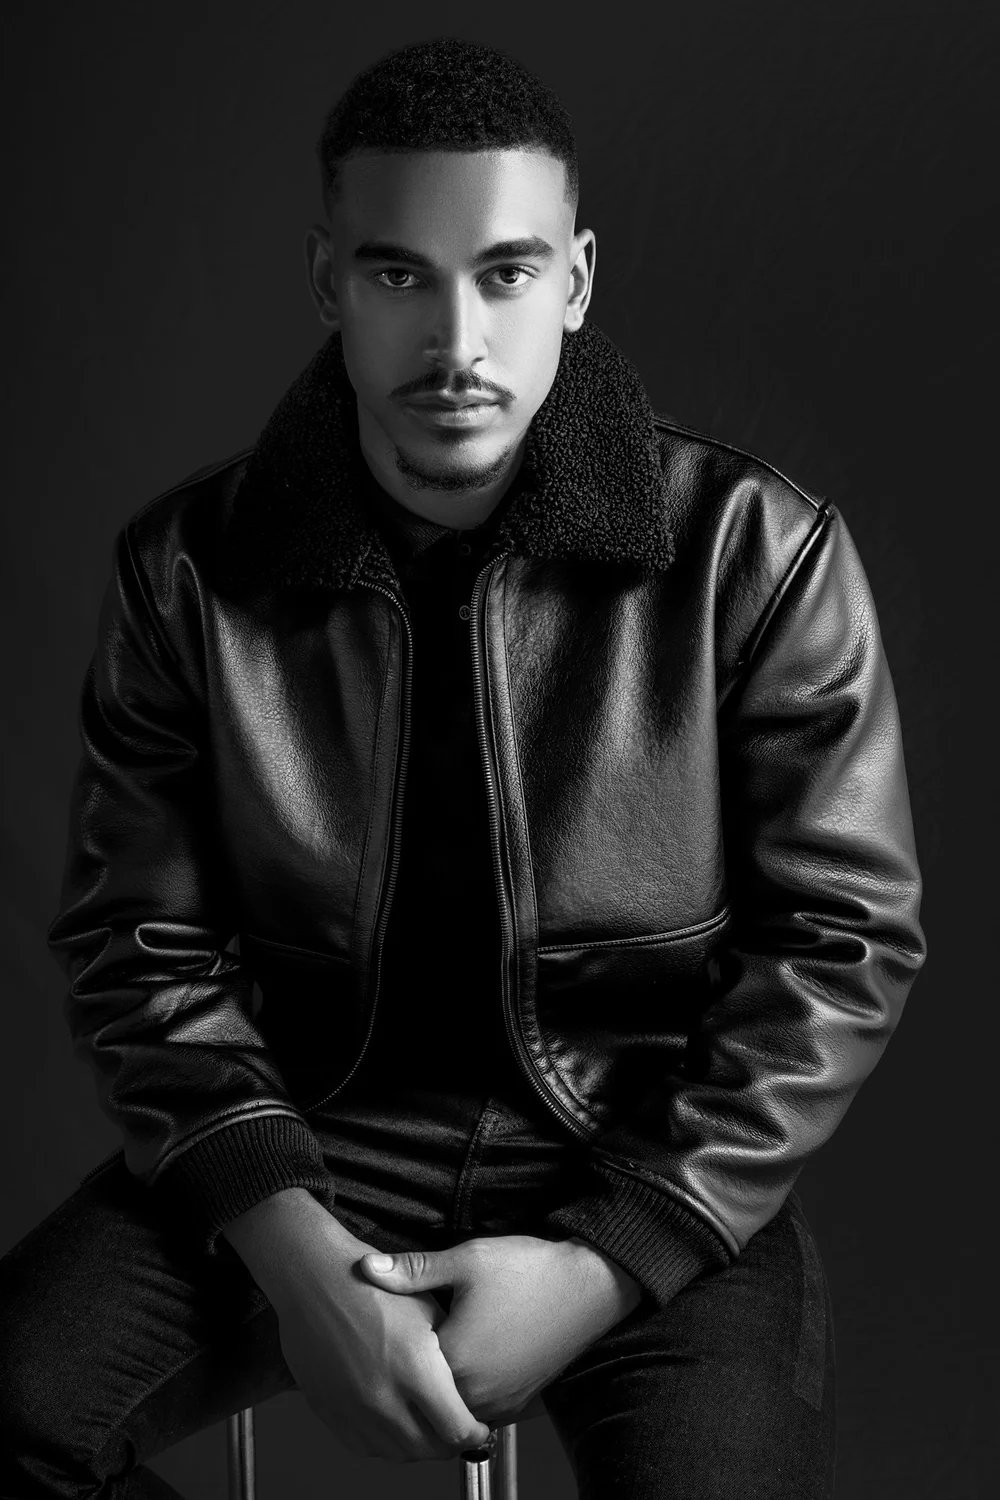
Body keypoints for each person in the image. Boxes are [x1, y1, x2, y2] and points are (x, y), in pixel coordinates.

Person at [0, 36, 926, 1500]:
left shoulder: (757, 552)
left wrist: (611, 1261)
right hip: (305, 1132)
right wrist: (300, 1261)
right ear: (326, 284)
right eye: (397, 275)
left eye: (504, 272)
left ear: (576, 279)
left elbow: (844, 942)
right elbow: (138, 940)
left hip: (650, 1140)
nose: (455, 342)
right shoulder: (189, 572)